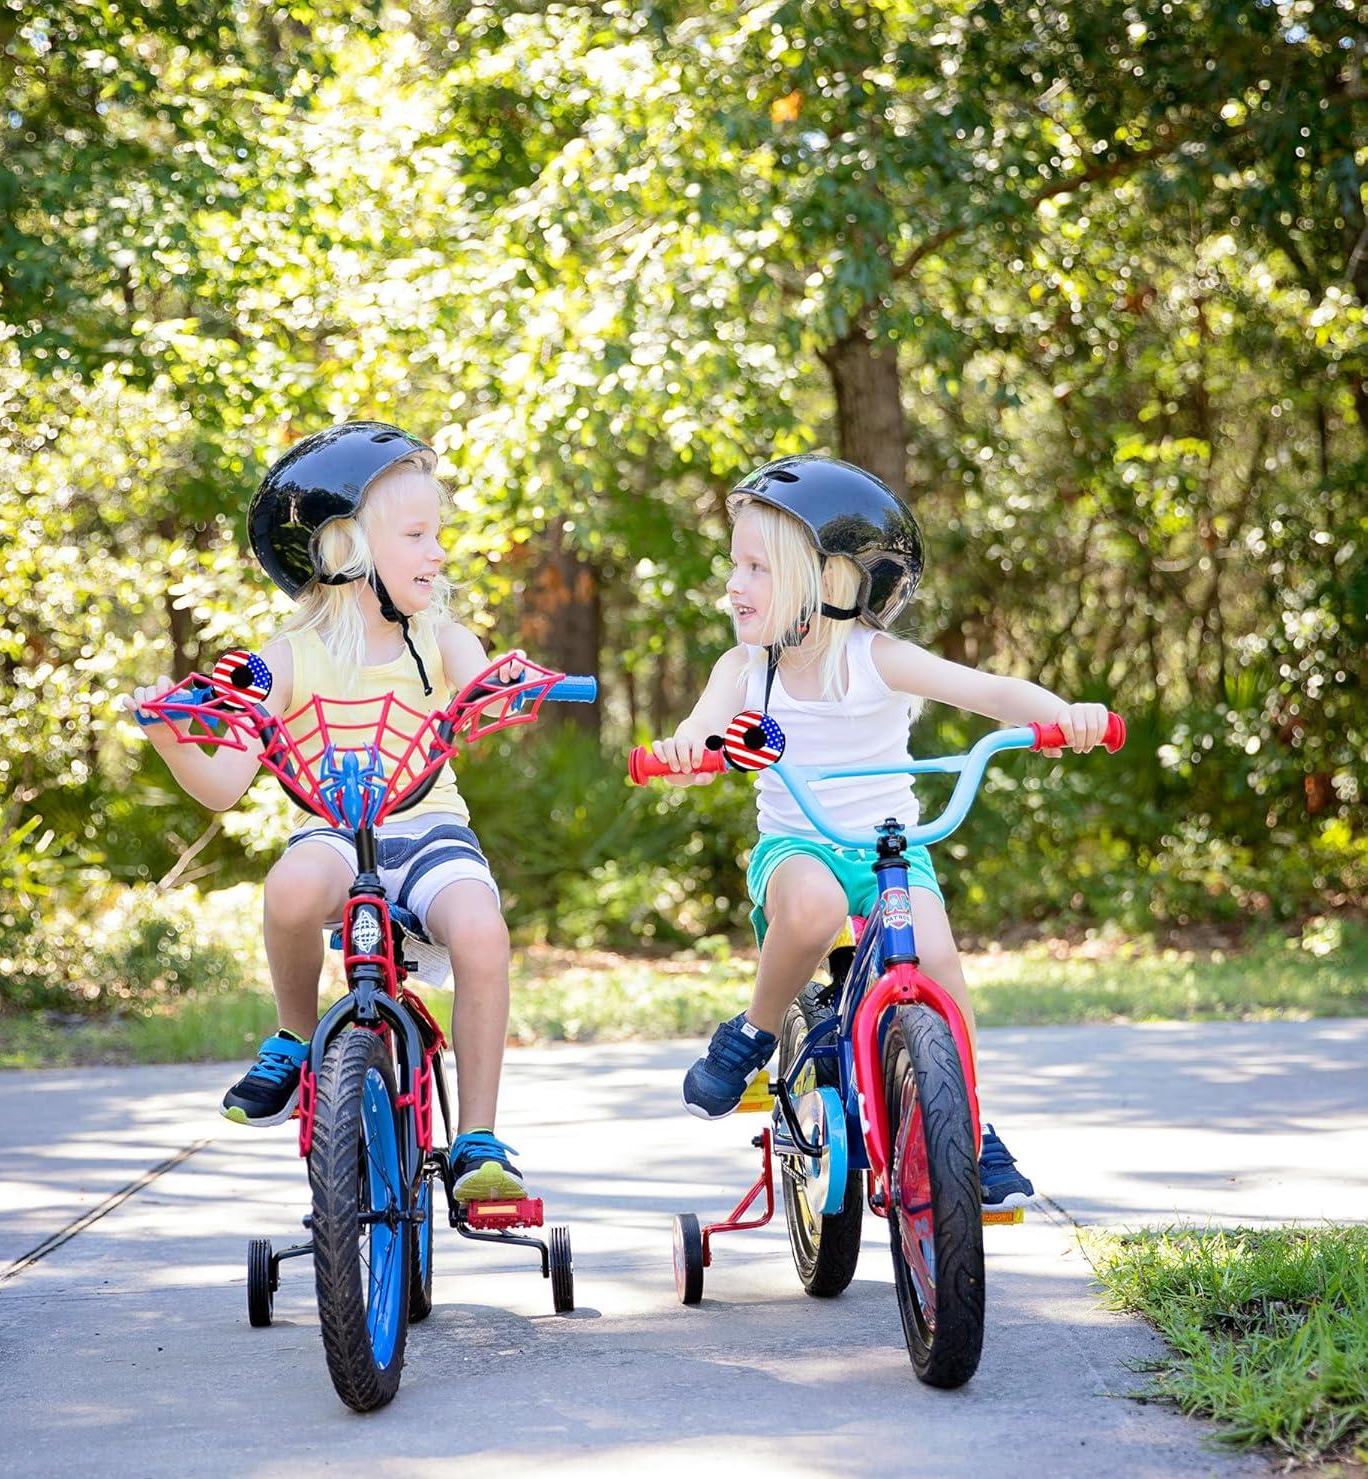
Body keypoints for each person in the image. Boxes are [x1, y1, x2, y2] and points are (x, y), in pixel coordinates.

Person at [645, 455, 1111, 1207]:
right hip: (797, 848)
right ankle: (755, 1031)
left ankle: (970, 1125)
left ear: (830, 582)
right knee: (814, 907)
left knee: (939, 959)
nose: (735, 584)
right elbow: (700, 739)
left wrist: (1065, 715)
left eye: (758, 568)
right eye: (735, 565)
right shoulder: (745, 671)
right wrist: (684, 754)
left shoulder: (876, 659)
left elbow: (992, 692)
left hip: (892, 851)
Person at [121, 422, 529, 1203]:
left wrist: (503, 687)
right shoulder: (284, 658)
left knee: (482, 932)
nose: (439, 552)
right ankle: (295, 1037)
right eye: (417, 535)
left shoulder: (443, 641)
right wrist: (172, 738)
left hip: (430, 831)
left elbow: (486, 685)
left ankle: (478, 1137)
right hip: (333, 833)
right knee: (289, 888)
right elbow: (224, 786)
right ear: (347, 548)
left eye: (437, 534)